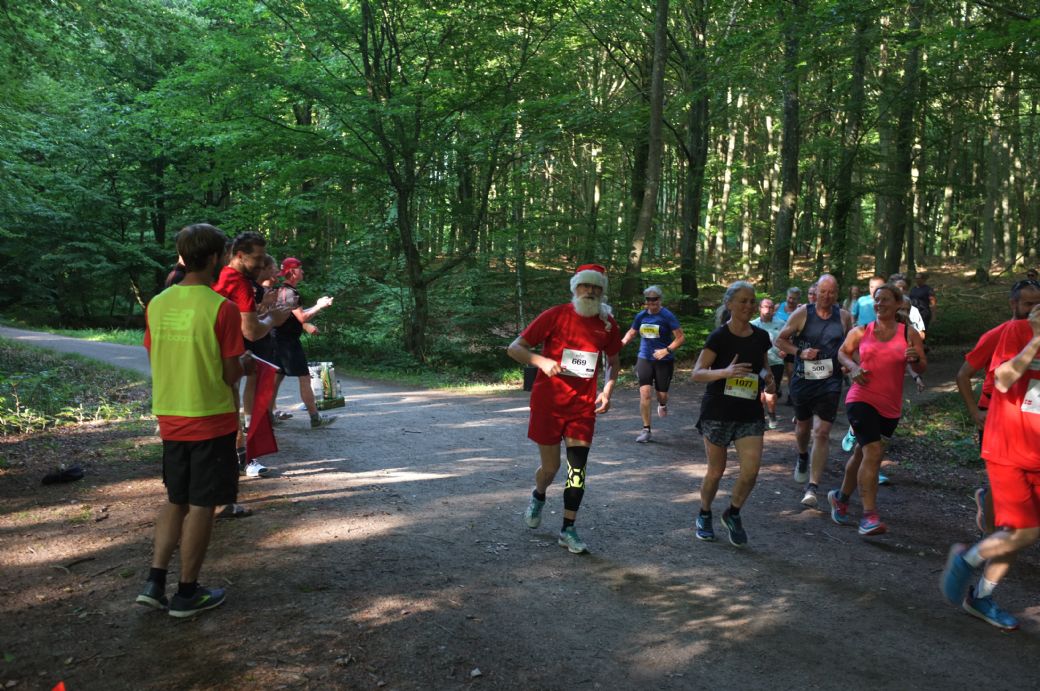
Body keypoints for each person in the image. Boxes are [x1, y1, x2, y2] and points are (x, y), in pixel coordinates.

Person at [135, 223, 247, 618]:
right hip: (210, 417)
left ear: (183, 256)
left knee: (176, 499)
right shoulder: (221, 308)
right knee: (202, 505)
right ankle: (187, 592)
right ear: (216, 257)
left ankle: (154, 582)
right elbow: (231, 374)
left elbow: (156, 354)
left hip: (171, 415)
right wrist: (246, 363)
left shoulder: (158, 303)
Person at [507, 264, 622, 555]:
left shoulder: (607, 324)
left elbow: (614, 361)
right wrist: (542, 362)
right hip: (548, 404)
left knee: (577, 470)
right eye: (585, 285)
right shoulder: (555, 315)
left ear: (602, 291)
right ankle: (539, 495)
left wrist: (607, 390)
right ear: (575, 288)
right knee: (551, 468)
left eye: (596, 287)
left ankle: (567, 529)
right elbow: (515, 348)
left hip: (582, 407)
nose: (590, 291)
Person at [940, 303, 1040, 631]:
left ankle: (981, 597)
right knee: (1026, 531)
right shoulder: (1017, 330)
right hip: (1007, 448)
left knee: (1016, 536)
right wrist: (1037, 339)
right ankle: (967, 559)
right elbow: (1002, 379)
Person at [829, 283, 926, 535]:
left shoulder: (909, 334)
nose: (879, 304)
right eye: (877, 299)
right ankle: (869, 516)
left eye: (885, 299)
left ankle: (840, 497)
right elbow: (842, 353)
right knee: (872, 453)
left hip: (890, 406)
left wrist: (916, 359)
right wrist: (853, 367)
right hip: (861, 398)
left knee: (863, 454)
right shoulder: (861, 331)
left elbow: (921, 366)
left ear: (898, 304)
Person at [691, 281, 775, 547]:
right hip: (718, 411)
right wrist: (725, 372)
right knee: (716, 471)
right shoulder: (719, 337)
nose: (748, 306)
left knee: (751, 472)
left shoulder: (761, 337)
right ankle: (705, 513)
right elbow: (697, 373)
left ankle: (733, 513)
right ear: (729, 304)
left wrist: (769, 379)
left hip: (749, 412)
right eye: (743, 301)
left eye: (752, 301)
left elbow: (763, 368)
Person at [956, 278, 1040, 534]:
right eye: (1028, 304)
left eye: (1038, 303)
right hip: (995, 414)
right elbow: (963, 375)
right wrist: (974, 411)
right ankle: (990, 537)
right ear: (1013, 304)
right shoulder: (1000, 334)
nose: (1034, 310)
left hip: (1028, 417)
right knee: (1000, 482)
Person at [213, 232, 291, 478]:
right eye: (257, 258)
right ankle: (241, 459)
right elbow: (252, 331)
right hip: (222, 353)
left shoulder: (222, 276)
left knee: (228, 404)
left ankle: (236, 458)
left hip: (218, 350)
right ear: (239, 255)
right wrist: (273, 318)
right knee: (231, 403)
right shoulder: (239, 282)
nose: (261, 263)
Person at [776, 274, 852, 507]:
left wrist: (848, 364)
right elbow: (780, 340)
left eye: (831, 292)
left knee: (822, 432)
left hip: (830, 381)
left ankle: (812, 487)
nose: (827, 296)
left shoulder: (844, 316)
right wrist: (800, 352)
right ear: (816, 291)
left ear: (837, 293)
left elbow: (851, 345)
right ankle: (802, 455)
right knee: (803, 426)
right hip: (803, 380)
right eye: (823, 291)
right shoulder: (802, 313)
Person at [272, 257, 336, 429]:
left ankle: (269, 415)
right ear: (293, 272)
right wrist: (319, 306)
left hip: (278, 340)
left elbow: (295, 314)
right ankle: (315, 418)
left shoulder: (282, 290)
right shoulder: (291, 293)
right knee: (304, 378)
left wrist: (316, 307)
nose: (303, 271)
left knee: (276, 378)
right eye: (300, 269)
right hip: (288, 343)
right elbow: (302, 317)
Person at [620, 285, 685, 443]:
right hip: (644, 358)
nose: (651, 302)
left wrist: (666, 350)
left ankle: (662, 404)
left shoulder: (667, 316)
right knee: (645, 393)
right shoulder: (641, 316)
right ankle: (646, 429)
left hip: (663, 360)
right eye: (648, 300)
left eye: (654, 299)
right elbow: (632, 332)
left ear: (660, 299)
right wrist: (619, 344)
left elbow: (681, 337)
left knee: (661, 394)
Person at [750, 297, 784, 429]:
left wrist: (785, 350)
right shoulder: (752, 324)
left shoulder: (781, 323)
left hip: (776, 362)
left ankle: (772, 414)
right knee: (760, 392)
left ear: (774, 309)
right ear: (759, 308)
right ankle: (761, 417)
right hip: (758, 364)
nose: (768, 310)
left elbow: (787, 339)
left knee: (771, 389)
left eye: (770, 307)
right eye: (765, 306)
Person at [775, 287, 802, 404]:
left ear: (798, 299)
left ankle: (791, 394)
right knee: (776, 368)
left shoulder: (800, 310)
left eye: (794, 299)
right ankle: (776, 389)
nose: (791, 300)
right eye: (790, 298)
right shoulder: (778, 307)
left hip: (791, 344)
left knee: (790, 370)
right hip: (777, 343)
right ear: (786, 297)